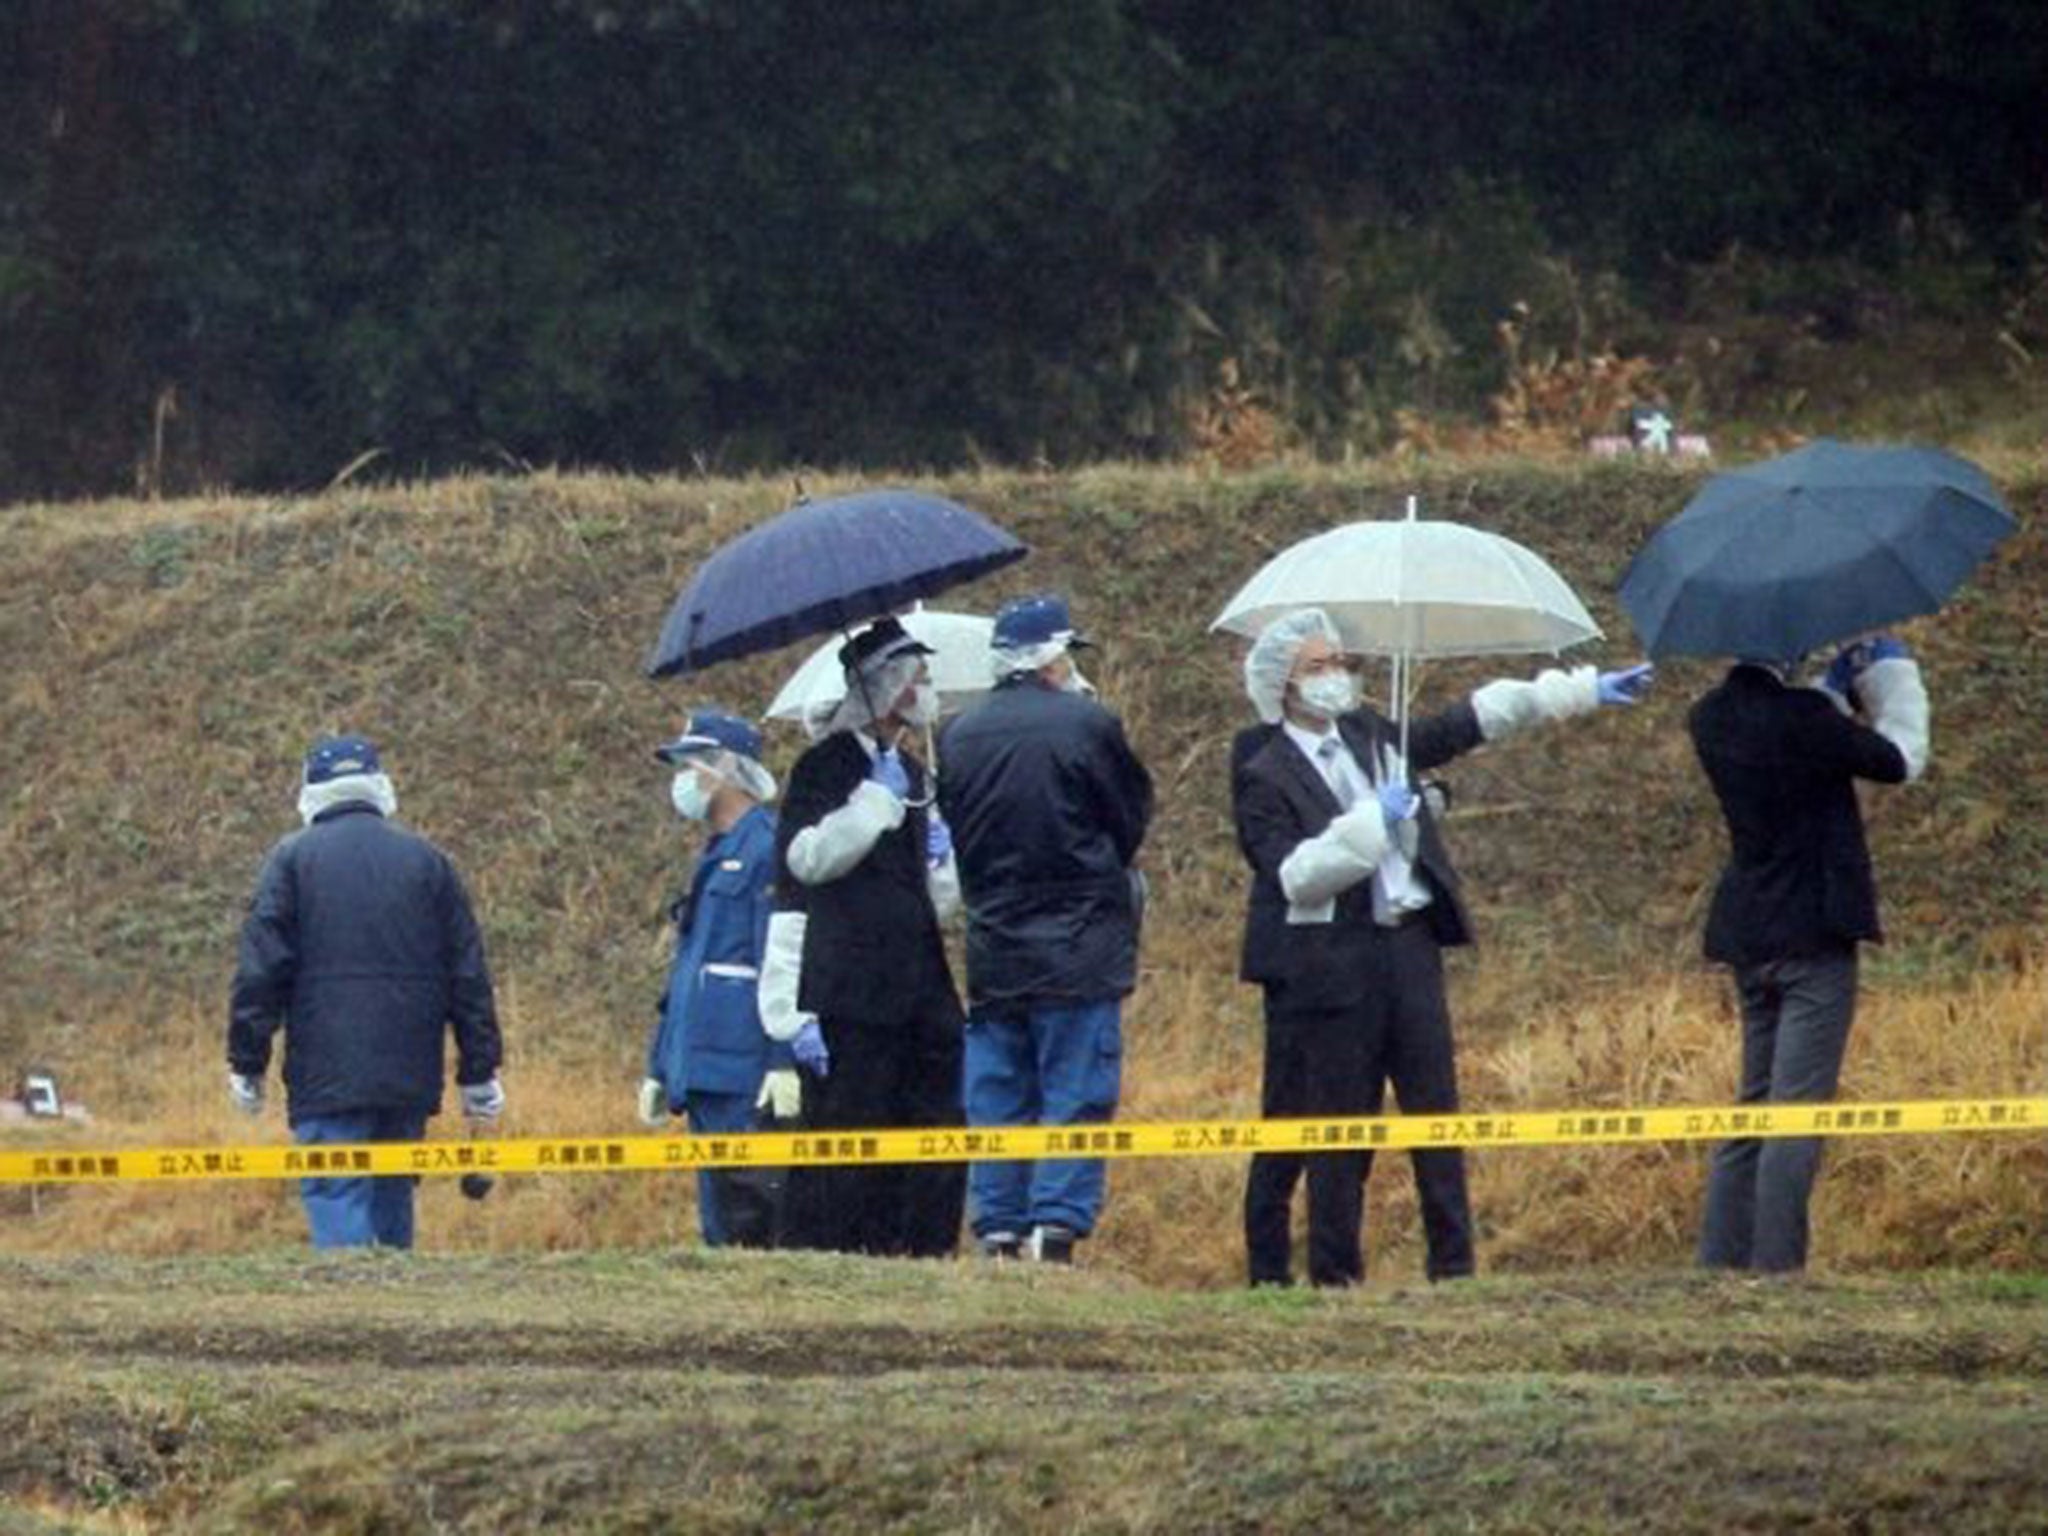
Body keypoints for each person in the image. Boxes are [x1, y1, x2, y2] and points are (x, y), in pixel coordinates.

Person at [1231, 609, 1652, 1286]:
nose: (1336, 677)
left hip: (1409, 947)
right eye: (1317, 666)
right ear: (1282, 682)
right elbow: (1293, 876)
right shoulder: (1262, 766)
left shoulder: (1373, 736)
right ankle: (1333, 1278)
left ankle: (1453, 1270)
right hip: (1330, 965)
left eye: (1341, 662)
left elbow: (1463, 725)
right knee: (1338, 1126)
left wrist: (1574, 692)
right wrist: (1375, 821)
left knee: (1436, 1112)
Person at [1692, 634, 1928, 1273]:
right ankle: (1777, 1271)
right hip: (1814, 934)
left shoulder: (1709, 716)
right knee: (1797, 1112)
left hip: (1750, 928)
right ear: (1791, 650)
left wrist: (1824, 693)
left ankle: (1720, 1264)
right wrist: (1892, 680)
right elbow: (1900, 760)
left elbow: (1791, 740)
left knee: (1755, 1105)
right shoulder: (1808, 720)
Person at [938, 593, 1153, 1263]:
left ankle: (998, 1225)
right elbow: (1128, 822)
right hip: (1079, 942)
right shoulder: (1088, 724)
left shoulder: (958, 735)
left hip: (995, 943)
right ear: (1052, 656)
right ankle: (1055, 1228)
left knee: (998, 1089)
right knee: (1074, 1090)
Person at [227, 734, 503, 1249]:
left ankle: (353, 1318)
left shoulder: (291, 861)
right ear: (379, 787)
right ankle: (396, 1318)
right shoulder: (429, 863)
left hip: (325, 1073)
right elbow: (469, 978)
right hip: (408, 1071)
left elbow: (260, 972)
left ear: (312, 790)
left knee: (336, 1190)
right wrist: (479, 1070)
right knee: (393, 1189)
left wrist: (248, 1062)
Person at [762, 616, 966, 1257]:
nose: (929, 689)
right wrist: (870, 807)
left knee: (933, 1123)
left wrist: (943, 857)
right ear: (890, 685)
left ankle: (920, 1249)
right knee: (851, 1127)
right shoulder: (825, 766)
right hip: (851, 990)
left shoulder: (912, 771)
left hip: (921, 985)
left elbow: (936, 899)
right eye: (920, 677)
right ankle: (831, 1252)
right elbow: (805, 859)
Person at [637, 710, 797, 1249]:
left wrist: (783, 1059)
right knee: (719, 1232)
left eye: (691, 766)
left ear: (725, 770)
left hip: (743, 1073)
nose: (682, 780)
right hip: (703, 1069)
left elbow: (781, 963)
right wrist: (661, 1065)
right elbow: (690, 970)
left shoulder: (764, 850)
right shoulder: (717, 856)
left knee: (751, 1224)